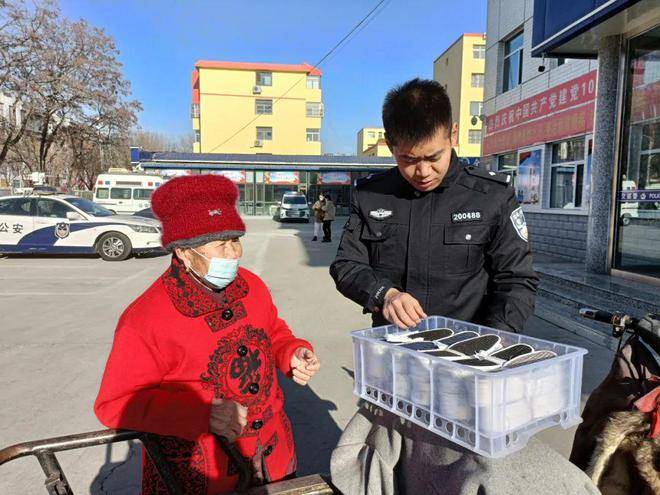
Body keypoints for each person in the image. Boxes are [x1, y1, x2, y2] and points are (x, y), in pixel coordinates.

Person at [94, 175, 321, 494]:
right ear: (184, 252)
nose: (232, 254)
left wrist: (291, 352)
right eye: (220, 244)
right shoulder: (145, 317)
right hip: (199, 475)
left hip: (274, 452)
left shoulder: (251, 286)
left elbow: (272, 331)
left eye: (235, 240)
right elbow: (114, 404)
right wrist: (199, 414)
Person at [330, 78, 539, 332]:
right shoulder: (372, 195)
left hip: (468, 353)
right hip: (395, 354)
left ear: (453, 134)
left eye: (433, 157)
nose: (423, 171)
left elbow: (516, 279)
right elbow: (347, 265)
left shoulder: (491, 197)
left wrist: (493, 338)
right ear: (390, 143)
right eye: (408, 159)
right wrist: (385, 294)